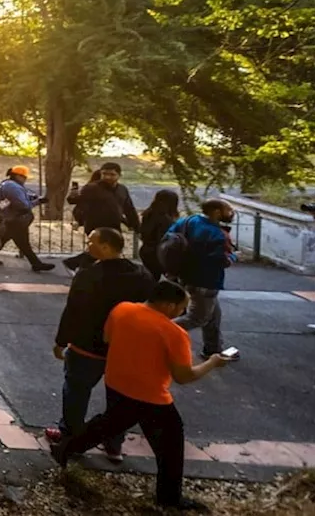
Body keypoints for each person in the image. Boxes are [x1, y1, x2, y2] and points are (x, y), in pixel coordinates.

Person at [50, 280, 232, 512]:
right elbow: (184, 376)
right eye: (180, 307)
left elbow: (107, 339)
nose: (182, 313)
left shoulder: (122, 309)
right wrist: (212, 363)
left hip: (117, 381)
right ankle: (169, 497)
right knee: (171, 445)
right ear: (168, 305)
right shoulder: (174, 333)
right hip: (151, 395)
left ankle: (65, 448)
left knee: (107, 424)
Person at [47, 227, 155, 460]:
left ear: (105, 247)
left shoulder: (88, 275)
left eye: (91, 242)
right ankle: (114, 443)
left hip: (87, 346)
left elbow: (73, 311)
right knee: (120, 398)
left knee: (76, 391)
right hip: (124, 347)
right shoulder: (141, 275)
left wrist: (61, 341)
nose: (87, 246)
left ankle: (71, 436)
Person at [168, 199, 241, 362]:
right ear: (216, 212)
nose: (231, 214)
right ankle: (155, 332)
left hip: (185, 275)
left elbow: (169, 238)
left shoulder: (188, 221)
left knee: (213, 315)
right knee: (197, 318)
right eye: (228, 210)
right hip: (206, 281)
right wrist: (235, 256)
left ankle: (213, 349)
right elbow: (222, 261)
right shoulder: (215, 233)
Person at [62, 163, 141, 272]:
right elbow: (77, 203)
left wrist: (135, 225)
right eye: (104, 174)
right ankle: (81, 270)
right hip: (95, 225)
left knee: (108, 250)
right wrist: (78, 219)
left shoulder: (122, 189)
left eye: (112, 174)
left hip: (113, 224)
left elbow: (129, 209)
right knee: (102, 249)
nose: (108, 177)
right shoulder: (92, 188)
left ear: (119, 175)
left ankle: (75, 264)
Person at [0, 167, 55, 272]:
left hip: (13, 219)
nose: (25, 179)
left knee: (6, 240)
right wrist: (37, 202)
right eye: (24, 177)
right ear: (18, 176)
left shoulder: (8, 184)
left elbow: (21, 197)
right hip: (16, 220)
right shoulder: (13, 187)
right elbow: (24, 205)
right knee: (21, 243)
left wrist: (34, 198)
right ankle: (36, 264)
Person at [139, 190, 181, 280]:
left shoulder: (148, 213)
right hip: (158, 253)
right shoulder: (166, 219)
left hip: (146, 250)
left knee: (151, 279)